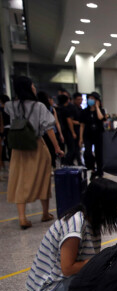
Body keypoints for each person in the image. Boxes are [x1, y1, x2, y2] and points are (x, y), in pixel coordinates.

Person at [26, 178, 117, 291]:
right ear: (103, 203)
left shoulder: (90, 220)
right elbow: (68, 268)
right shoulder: (76, 225)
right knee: (97, 274)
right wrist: (102, 261)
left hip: (49, 285)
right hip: (44, 290)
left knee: (100, 269)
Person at [5, 77, 64, 229]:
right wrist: (57, 147)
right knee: (43, 177)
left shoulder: (10, 105)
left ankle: (22, 218)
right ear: (29, 87)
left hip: (18, 148)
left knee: (19, 179)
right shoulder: (39, 107)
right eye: (32, 85)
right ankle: (45, 213)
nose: (34, 88)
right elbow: (48, 128)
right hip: (36, 145)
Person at [79, 92, 107, 178]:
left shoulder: (101, 110)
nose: (90, 100)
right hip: (88, 135)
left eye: (93, 99)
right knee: (88, 152)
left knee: (99, 153)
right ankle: (92, 168)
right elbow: (82, 125)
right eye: (89, 98)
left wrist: (97, 107)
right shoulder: (84, 111)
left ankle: (99, 171)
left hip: (98, 134)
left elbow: (101, 118)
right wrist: (80, 138)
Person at [36, 91, 65, 169]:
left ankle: (48, 166)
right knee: (52, 150)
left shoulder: (38, 109)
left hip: (42, 133)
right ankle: (52, 165)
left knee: (46, 151)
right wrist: (60, 134)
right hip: (52, 132)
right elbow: (56, 122)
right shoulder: (51, 109)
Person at [57, 94, 82, 166]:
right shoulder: (67, 109)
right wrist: (73, 132)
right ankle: (67, 162)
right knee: (72, 149)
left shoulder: (58, 109)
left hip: (62, 131)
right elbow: (69, 121)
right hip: (68, 131)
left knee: (70, 148)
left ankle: (67, 162)